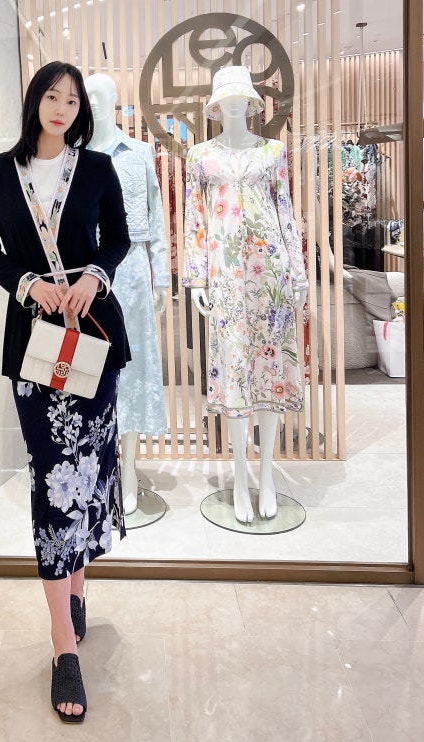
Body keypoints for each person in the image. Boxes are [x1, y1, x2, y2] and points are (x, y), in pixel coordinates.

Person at [0, 61, 131, 723]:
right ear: (34, 101)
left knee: (87, 470)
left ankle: (77, 588)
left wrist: (94, 275)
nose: (62, 107)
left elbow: (119, 237)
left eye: (72, 99)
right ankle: (64, 644)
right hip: (36, 347)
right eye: (52, 96)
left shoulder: (95, 168)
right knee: (51, 478)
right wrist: (27, 284)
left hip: (91, 339)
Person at [183, 65, 308, 524]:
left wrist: (298, 273)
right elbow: (195, 219)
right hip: (226, 277)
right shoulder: (199, 156)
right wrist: (197, 278)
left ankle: (267, 474)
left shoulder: (273, 151)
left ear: (251, 101)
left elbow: (285, 211)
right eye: (227, 96)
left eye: (242, 96)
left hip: (270, 275)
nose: (235, 103)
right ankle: (239, 476)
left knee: (270, 373)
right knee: (236, 371)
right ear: (217, 104)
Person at [84, 73, 170, 515]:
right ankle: (99, 468)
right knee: (90, 369)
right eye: (89, 96)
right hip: (85, 274)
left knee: (131, 370)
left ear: (117, 101)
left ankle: (130, 469)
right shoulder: (73, 154)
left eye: (103, 95)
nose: (95, 103)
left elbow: (156, 218)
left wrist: (162, 279)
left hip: (132, 270)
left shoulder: (138, 152)